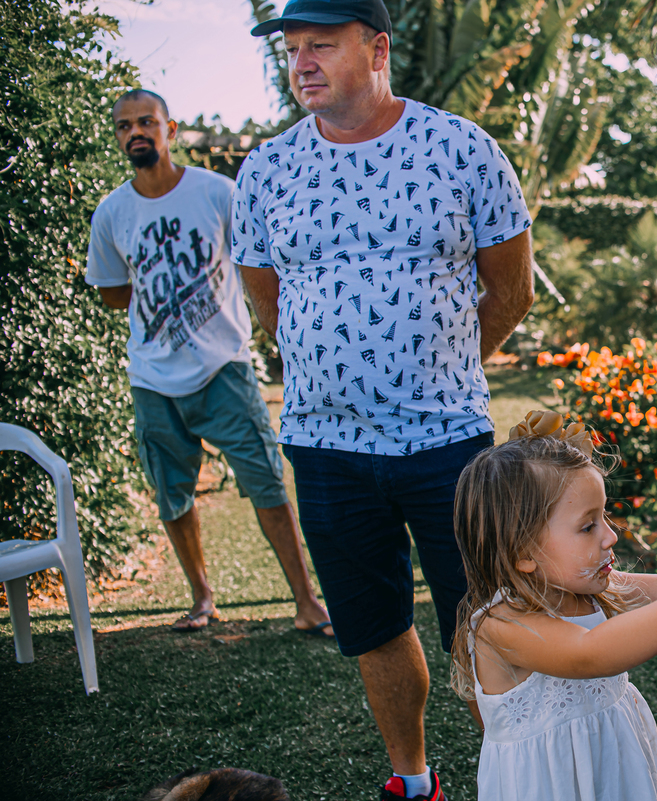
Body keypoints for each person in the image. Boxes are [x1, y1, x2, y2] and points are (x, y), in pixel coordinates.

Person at [233, 1, 535, 797]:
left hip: (448, 443)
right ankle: (415, 780)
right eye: (293, 49)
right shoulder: (265, 169)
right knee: (373, 627)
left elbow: (512, 289)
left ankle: (516, 778)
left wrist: (443, 368)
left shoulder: (462, 148)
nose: (301, 62)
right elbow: (267, 296)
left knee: (484, 627)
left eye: (320, 46)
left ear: (376, 48)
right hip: (325, 446)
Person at [85, 89, 332, 638]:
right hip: (152, 378)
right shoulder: (112, 212)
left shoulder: (217, 193)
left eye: (146, 122)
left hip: (224, 368)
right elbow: (111, 291)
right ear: (119, 136)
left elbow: (256, 261)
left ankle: (307, 602)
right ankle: (202, 598)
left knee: (267, 482)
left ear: (170, 129)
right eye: (125, 126)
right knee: (172, 494)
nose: (136, 133)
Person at [450, 411, 657, 801]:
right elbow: (591, 654)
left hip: (611, 769)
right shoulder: (501, 625)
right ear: (522, 551)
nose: (611, 536)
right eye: (588, 525)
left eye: (605, 517)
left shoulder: (591, 590)